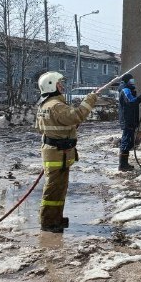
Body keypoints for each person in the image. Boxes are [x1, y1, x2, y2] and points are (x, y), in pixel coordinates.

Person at [35, 72, 101, 233]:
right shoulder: (56, 106)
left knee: (57, 188)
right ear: (51, 85)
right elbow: (77, 115)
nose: (62, 87)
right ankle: (49, 222)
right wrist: (90, 99)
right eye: (59, 84)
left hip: (55, 153)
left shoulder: (45, 105)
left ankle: (55, 218)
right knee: (54, 189)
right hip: (58, 154)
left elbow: (43, 127)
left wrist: (65, 129)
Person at [118, 73, 141, 171]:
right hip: (127, 121)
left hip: (131, 121)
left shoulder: (128, 90)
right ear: (126, 81)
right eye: (131, 81)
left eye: (133, 81)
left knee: (129, 142)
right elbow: (131, 102)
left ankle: (124, 163)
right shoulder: (125, 90)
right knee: (126, 142)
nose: (133, 83)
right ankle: (122, 165)